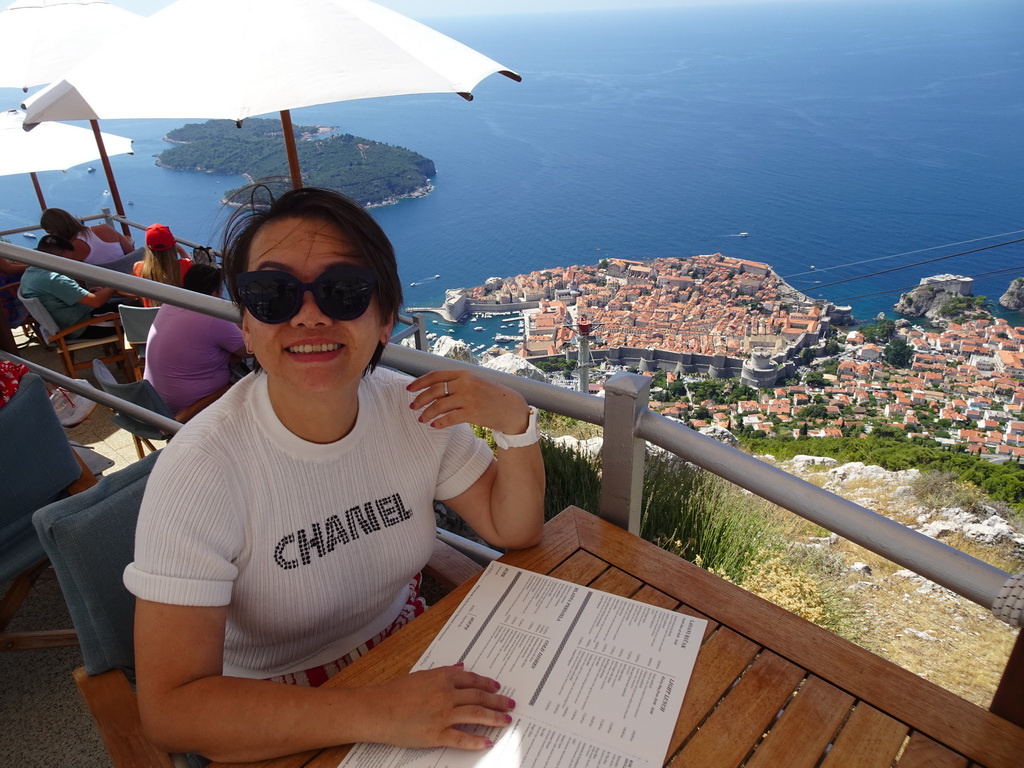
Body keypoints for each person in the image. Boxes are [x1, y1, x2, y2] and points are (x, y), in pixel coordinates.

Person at [124, 186, 545, 763]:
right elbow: (172, 710)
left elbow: (511, 528)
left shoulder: (413, 412)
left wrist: (516, 425)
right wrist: (382, 711)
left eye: (343, 290)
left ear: (385, 320)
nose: (310, 314)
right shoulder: (202, 470)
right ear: (245, 324)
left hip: (411, 655)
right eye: (272, 294)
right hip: (272, 707)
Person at [144, 263, 247, 414]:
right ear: (214, 294)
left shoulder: (169, 304)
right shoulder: (211, 317)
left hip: (155, 403)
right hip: (192, 409)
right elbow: (249, 350)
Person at [18, 234, 122, 339]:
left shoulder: (31, 272)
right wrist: (117, 283)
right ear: (60, 257)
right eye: (69, 260)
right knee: (134, 316)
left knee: (124, 306)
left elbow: (58, 296)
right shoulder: (53, 279)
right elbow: (96, 302)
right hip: (82, 326)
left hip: (69, 319)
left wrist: (85, 293)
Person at [40, 207, 134, 265]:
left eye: (51, 233)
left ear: (60, 229)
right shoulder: (105, 228)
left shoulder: (72, 250)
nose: (52, 237)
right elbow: (132, 254)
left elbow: (78, 282)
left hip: (106, 289)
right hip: (132, 278)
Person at [132, 223, 194, 307]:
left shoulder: (138, 267)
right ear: (173, 246)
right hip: (178, 317)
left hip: (152, 318)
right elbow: (190, 267)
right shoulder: (186, 265)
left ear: (148, 247)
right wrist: (181, 250)